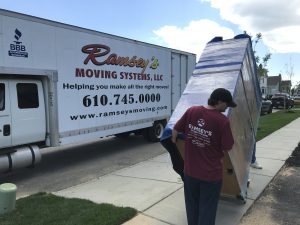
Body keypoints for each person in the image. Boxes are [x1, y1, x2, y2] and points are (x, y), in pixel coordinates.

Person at [171, 88, 236, 225]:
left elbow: (175, 130)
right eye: (226, 104)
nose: (227, 108)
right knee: (207, 209)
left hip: (190, 172)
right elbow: (228, 146)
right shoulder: (222, 121)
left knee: (192, 207)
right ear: (219, 102)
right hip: (211, 176)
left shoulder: (192, 111)